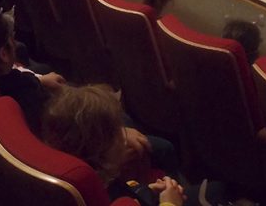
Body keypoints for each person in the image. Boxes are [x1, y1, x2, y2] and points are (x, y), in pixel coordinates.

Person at [42, 84, 226, 206]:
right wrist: (169, 202)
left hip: (139, 193)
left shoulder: (84, 181)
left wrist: (146, 191)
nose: (124, 138)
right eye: (117, 134)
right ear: (101, 150)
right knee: (217, 191)